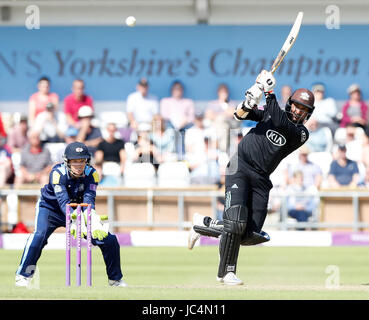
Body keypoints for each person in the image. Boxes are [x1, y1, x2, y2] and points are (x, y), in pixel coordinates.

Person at [187, 70, 315, 285]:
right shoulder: (271, 111)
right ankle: (226, 273)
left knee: (248, 234)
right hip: (240, 167)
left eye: (304, 110)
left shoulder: (300, 133)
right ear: (290, 104)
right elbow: (239, 115)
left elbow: (280, 122)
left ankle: (202, 224)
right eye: (296, 106)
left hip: (262, 179)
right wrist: (249, 101)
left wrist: (269, 91)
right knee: (235, 222)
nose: (299, 112)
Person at [15, 141, 127, 287]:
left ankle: (115, 280)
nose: (79, 165)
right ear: (67, 161)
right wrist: (75, 220)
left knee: (109, 240)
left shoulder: (92, 174)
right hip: (50, 210)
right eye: (75, 162)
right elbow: (63, 202)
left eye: (82, 161)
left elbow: (89, 200)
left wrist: (91, 217)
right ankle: (23, 276)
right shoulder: (57, 173)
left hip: (79, 210)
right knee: (39, 236)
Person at [160, 80, 195, 157]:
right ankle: (173, 153)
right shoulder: (165, 101)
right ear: (172, 90)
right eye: (175, 89)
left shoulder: (188, 102)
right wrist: (175, 120)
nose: (177, 91)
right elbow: (164, 115)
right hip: (170, 125)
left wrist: (184, 121)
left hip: (185, 126)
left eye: (179, 89)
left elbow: (191, 117)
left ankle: (182, 155)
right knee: (172, 129)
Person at [204, 83, 239, 153]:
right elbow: (208, 115)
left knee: (223, 123)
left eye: (225, 92)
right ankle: (221, 149)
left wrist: (218, 115)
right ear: (218, 93)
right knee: (221, 122)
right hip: (216, 126)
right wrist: (222, 114)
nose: (224, 94)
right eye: (222, 92)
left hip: (230, 125)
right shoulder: (213, 103)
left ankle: (223, 149)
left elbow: (232, 113)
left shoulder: (231, 103)